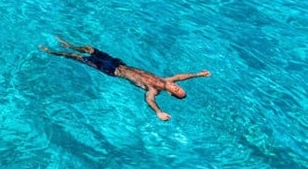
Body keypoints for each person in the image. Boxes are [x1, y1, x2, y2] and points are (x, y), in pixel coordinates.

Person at [39, 36, 210, 121]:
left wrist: (158, 112)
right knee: (90, 49)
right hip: (119, 63)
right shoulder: (167, 79)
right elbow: (182, 76)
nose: (178, 88)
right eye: (180, 88)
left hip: (111, 70)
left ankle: (52, 52)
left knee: (77, 58)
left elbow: (148, 99)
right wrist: (198, 74)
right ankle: (69, 44)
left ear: (171, 94)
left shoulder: (154, 90)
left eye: (177, 92)